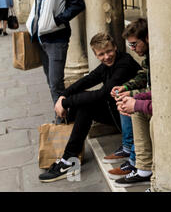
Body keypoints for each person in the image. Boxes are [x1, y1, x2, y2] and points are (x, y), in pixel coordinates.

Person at [38, 33, 141, 183]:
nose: (106, 57)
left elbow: (103, 94)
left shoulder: (124, 63)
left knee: (86, 104)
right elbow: (88, 79)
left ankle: (68, 160)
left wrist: (67, 103)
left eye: (109, 51)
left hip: (133, 117)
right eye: (101, 54)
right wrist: (63, 96)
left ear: (115, 48)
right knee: (83, 104)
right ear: (96, 55)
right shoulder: (106, 66)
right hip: (118, 113)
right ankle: (69, 158)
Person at [25, 0, 85, 122]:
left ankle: (65, 120)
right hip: (43, 40)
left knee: (56, 84)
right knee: (52, 83)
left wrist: (56, 21)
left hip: (56, 39)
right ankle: (63, 116)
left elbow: (77, 4)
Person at [108, 18, 152, 187]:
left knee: (133, 105)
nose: (133, 49)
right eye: (130, 46)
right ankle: (131, 152)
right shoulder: (148, 56)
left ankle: (137, 162)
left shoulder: (157, 55)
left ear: (146, 38)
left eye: (135, 44)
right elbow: (143, 75)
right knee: (125, 99)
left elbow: (159, 92)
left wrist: (131, 95)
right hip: (151, 96)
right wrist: (125, 87)